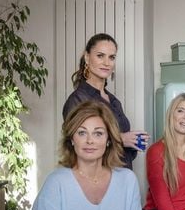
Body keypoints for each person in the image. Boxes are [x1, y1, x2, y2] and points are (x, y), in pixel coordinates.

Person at [63, 33, 149, 169]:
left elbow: (123, 151)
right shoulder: (78, 99)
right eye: (100, 56)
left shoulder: (114, 101)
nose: (107, 63)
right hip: (97, 179)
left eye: (112, 57)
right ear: (87, 57)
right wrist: (121, 139)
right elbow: (78, 144)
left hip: (122, 176)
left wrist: (132, 142)